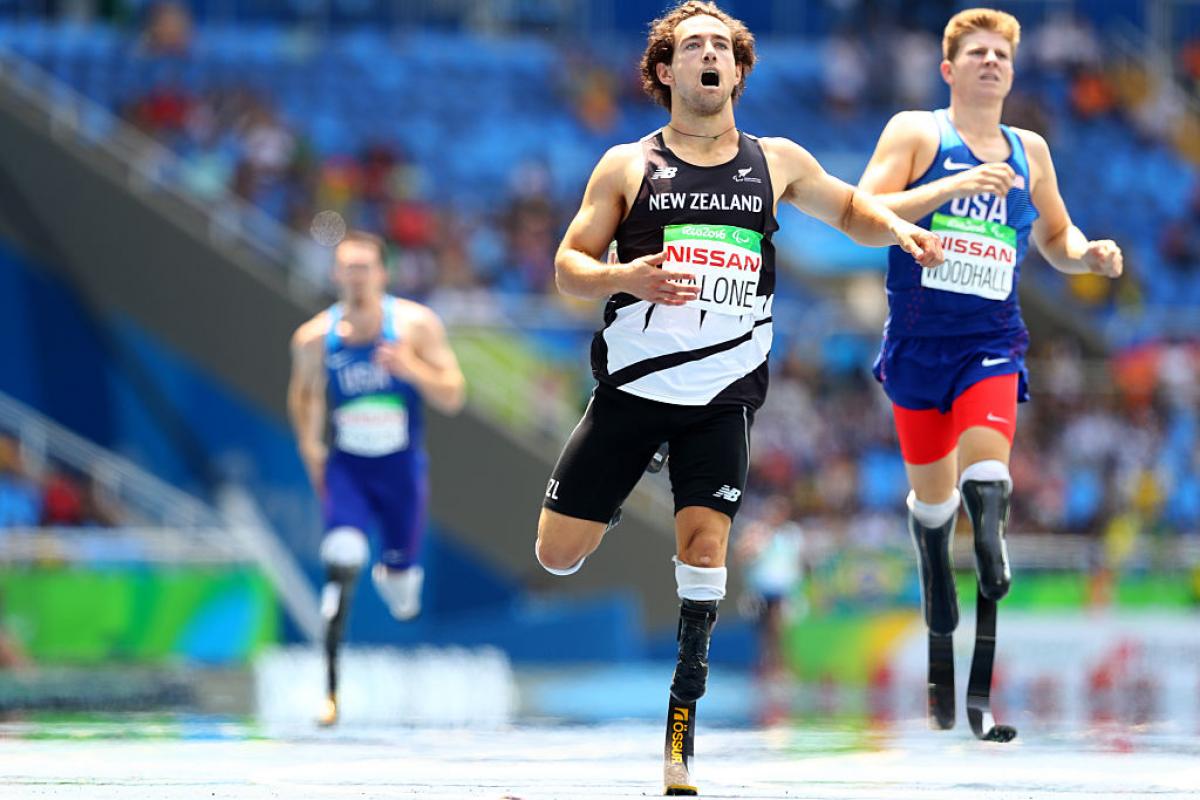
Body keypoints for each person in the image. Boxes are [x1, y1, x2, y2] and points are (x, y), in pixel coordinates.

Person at [534, 2, 942, 793]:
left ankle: (680, 732)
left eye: (722, 45)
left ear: (740, 71)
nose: (710, 55)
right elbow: (566, 267)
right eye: (693, 46)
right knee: (557, 555)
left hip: (722, 397)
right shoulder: (627, 166)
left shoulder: (776, 160)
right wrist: (625, 276)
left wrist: (896, 227)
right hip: (633, 393)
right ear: (665, 71)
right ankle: (621, 485)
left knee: (706, 546)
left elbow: (851, 209)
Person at [857, 8, 1123, 740]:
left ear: (1012, 69)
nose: (990, 62)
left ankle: (988, 555)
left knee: (986, 484)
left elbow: (1055, 235)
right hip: (917, 345)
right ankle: (936, 560)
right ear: (950, 69)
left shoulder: (1029, 149)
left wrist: (1086, 251)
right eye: (975, 52)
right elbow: (867, 208)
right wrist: (952, 187)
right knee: (933, 506)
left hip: (990, 339)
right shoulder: (916, 133)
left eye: (1001, 54)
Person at [288, 229, 466, 727]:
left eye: (366, 268)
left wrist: (409, 368)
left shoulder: (414, 325)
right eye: (349, 268)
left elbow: (453, 394)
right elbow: (303, 395)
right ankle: (329, 692)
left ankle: (397, 577)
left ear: (383, 274)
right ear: (335, 274)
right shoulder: (313, 338)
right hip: (349, 466)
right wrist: (310, 447)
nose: (357, 278)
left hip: (400, 469)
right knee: (341, 558)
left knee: (400, 588)